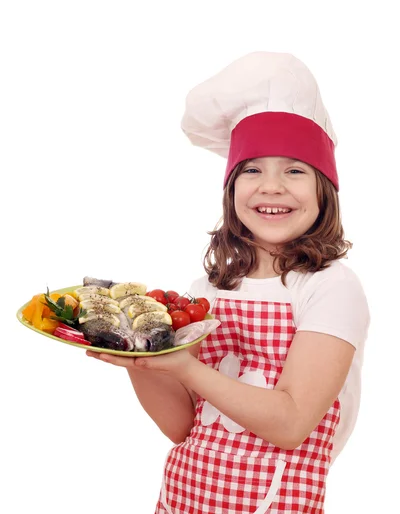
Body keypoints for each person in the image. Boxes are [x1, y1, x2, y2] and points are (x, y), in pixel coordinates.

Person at [87, 51, 370, 513]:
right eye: (253, 169)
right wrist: (138, 360)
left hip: (273, 501)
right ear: (231, 188)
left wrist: (183, 367)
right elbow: (183, 425)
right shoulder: (208, 289)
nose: (272, 186)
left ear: (324, 191)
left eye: (294, 170)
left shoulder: (329, 287)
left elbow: (291, 423)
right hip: (183, 496)